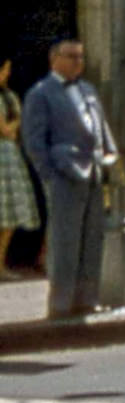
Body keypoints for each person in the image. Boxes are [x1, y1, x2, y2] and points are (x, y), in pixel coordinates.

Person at [21, 36, 117, 318]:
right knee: (65, 242)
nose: (78, 62)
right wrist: (49, 175)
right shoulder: (41, 93)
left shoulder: (88, 89)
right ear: (55, 59)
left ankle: (87, 298)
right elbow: (34, 141)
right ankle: (61, 303)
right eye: (71, 56)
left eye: (81, 57)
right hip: (64, 174)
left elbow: (100, 127)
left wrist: (109, 156)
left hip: (94, 173)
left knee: (91, 240)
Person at [0, 56, 41, 276]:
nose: (7, 74)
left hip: (9, 153)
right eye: (4, 70)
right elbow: (6, 129)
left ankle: (1, 263)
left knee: (9, 217)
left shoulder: (8, 96)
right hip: (2, 153)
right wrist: (19, 117)